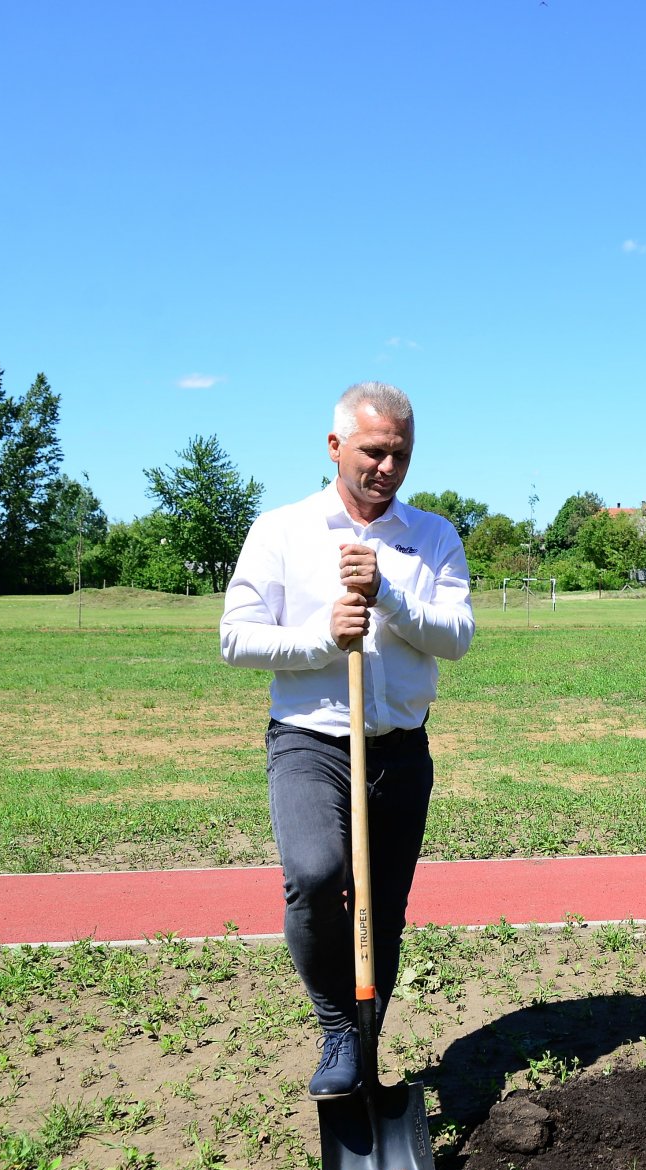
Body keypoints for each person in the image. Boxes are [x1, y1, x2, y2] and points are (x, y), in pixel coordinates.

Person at [219, 382, 474, 1099]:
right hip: (310, 742)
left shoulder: (432, 537)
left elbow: (456, 638)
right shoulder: (282, 530)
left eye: (400, 453)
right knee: (315, 875)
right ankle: (336, 1024)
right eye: (373, 451)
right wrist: (322, 638)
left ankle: (364, 1045)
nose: (387, 467)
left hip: (399, 747)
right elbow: (236, 638)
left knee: (383, 906)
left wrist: (389, 594)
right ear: (335, 447)